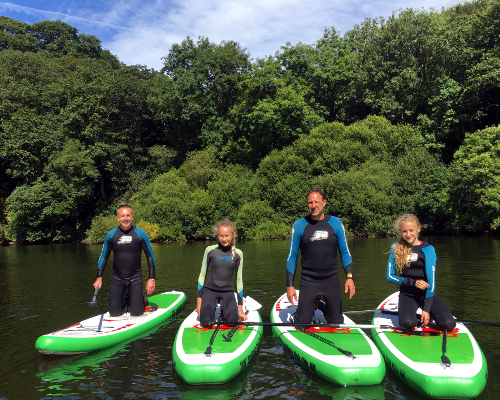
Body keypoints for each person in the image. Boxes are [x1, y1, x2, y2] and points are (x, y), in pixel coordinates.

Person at [286, 187, 355, 324]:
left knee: (336, 323)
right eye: (310, 203)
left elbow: (345, 252)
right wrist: (289, 285)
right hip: (308, 280)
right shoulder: (299, 225)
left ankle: (320, 305)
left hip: (331, 279)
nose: (313, 206)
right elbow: (291, 257)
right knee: (302, 324)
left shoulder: (336, 223)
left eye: (317, 202)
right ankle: (303, 310)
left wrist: (349, 277)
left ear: (324, 202)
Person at [386, 214, 456, 331]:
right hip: (407, 294)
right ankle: (410, 316)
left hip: (427, 294)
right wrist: (413, 283)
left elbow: (431, 283)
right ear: (400, 232)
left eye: (411, 230)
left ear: (418, 229)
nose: (408, 235)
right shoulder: (395, 248)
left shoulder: (428, 249)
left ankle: (433, 317)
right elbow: (390, 276)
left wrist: (426, 310)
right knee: (408, 324)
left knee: (449, 325)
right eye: (404, 231)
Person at [93, 204, 156, 317]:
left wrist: (151, 278)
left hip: (135, 278)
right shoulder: (111, 235)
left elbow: (150, 256)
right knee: (114, 313)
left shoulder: (140, 234)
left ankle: (141, 300)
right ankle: (129, 299)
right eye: (122, 216)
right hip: (117, 278)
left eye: (128, 215)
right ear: (117, 218)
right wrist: (99, 277)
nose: (125, 218)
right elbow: (104, 256)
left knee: (136, 313)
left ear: (132, 216)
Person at [196, 219, 248, 327]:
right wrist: (199, 301)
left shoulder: (238, 254)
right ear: (217, 236)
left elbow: (239, 280)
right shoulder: (210, 250)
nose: (224, 239)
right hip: (210, 291)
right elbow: (202, 275)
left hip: (227, 292)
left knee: (232, 322)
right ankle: (211, 310)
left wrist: (240, 308)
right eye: (221, 236)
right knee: (205, 323)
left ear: (233, 235)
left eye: (227, 236)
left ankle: (227, 313)